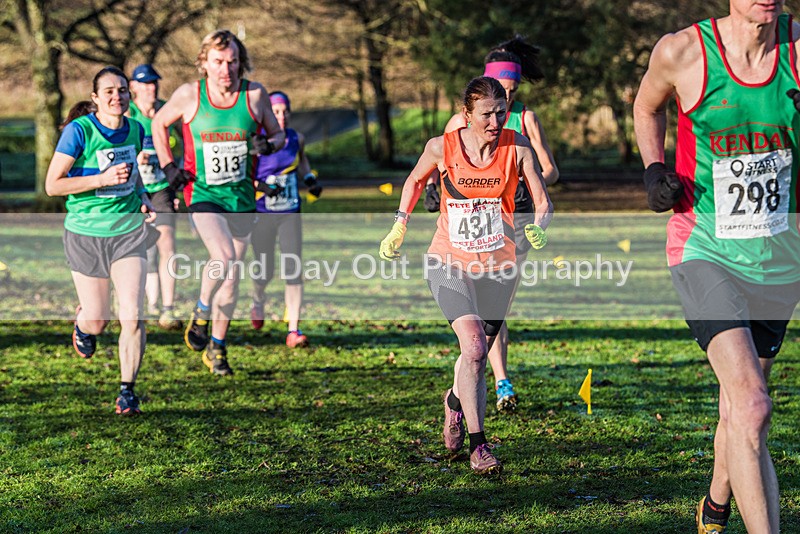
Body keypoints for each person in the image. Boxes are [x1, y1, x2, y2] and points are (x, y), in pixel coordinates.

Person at [633, 3, 800, 532]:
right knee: (752, 405)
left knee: (740, 409)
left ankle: (715, 502)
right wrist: (654, 167)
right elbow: (646, 107)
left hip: (778, 259)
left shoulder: (797, 52)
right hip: (703, 247)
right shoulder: (682, 52)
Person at [380, 76, 553, 474]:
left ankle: (454, 402)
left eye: (501, 113)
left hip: (499, 267)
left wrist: (539, 227)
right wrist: (399, 225)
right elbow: (414, 180)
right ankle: (480, 447)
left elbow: (544, 203)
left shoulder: (518, 148)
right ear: (467, 114)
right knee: (475, 347)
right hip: (448, 262)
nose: (496, 121)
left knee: (475, 354)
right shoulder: (443, 147)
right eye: (487, 114)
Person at [427, 36, 559, 412]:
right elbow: (443, 159)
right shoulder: (461, 121)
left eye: (513, 92)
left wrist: (521, 181)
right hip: (466, 229)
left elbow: (550, 169)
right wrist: (434, 189)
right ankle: (491, 378)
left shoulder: (524, 120)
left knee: (497, 312)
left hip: (513, 225)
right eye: (502, 91)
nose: (507, 100)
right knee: (473, 314)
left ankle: (492, 378)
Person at [152, 30, 284, 376]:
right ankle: (200, 310)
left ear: (241, 63)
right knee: (223, 256)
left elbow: (279, 133)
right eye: (218, 62)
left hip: (241, 197)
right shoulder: (189, 95)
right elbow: (158, 123)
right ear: (204, 63)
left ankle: (218, 347)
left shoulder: (254, 95)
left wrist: (268, 146)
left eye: (233, 62)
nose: (226, 69)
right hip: (203, 194)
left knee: (231, 276)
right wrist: (169, 166)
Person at [45, 66, 156, 415]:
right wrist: (101, 179)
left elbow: (132, 173)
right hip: (86, 233)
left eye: (122, 90)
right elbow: (53, 186)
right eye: (108, 90)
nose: (116, 96)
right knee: (98, 319)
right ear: (95, 98)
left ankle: (127, 391)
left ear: (129, 94)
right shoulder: (79, 132)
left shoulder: (135, 129)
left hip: (127, 233)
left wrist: (143, 196)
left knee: (133, 316)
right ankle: (83, 323)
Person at [249, 91, 322, 348]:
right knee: (264, 269)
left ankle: (293, 329)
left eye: (285, 111)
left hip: (290, 211)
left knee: (293, 268)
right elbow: (245, 174)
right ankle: (257, 299)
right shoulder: (258, 143)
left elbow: (302, 163)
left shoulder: (296, 138)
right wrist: (262, 186)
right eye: (276, 111)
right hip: (263, 212)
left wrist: (310, 179)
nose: (281, 116)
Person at [128, 63, 182, 330]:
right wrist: (136, 157)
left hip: (161, 187)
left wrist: (177, 183)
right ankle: (145, 303)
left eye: (154, 83)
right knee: (139, 246)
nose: (152, 88)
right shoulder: (128, 114)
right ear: (133, 87)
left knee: (167, 243)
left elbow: (181, 147)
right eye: (146, 83)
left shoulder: (166, 112)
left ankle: (168, 308)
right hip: (134, 188)